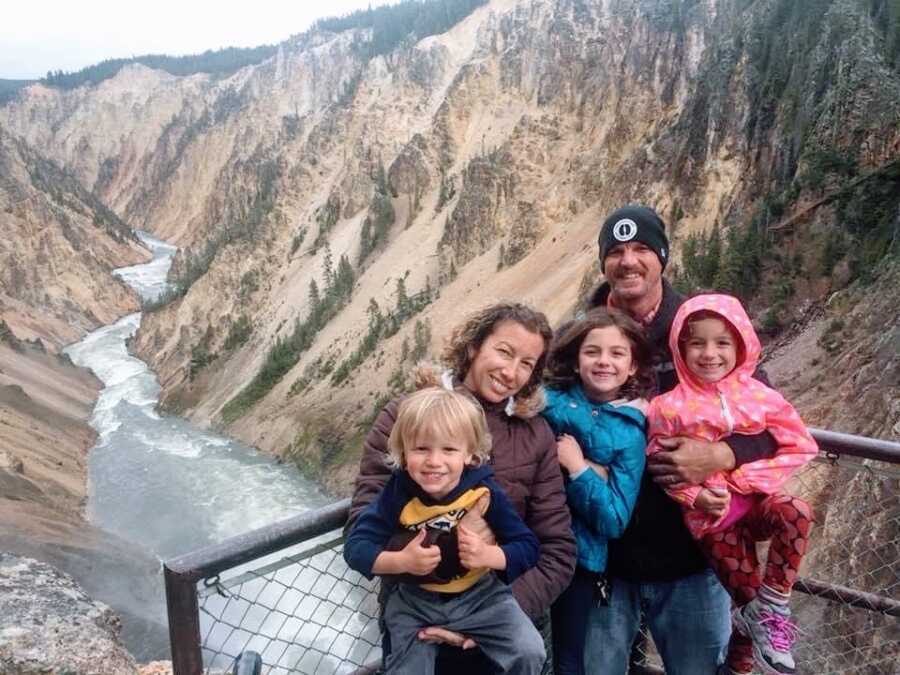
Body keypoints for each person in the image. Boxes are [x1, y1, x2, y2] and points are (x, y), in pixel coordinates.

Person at [585, 205, 780, 674]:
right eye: (616, 251)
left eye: (642, 250)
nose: (628, 261)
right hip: (606, 561)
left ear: (663, 257)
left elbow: (772, 423)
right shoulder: (585, 338)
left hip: (692, 559)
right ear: (603, 263)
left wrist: (720, 452)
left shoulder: (701, 329)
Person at [348, 302, 576, 673]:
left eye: (527, 363)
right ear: (474, 347)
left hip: (498, 620)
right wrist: (426, 556)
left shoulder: (535, 435)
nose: (511, 372)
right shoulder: (406, 414)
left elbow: (557, 549)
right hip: (415, 618)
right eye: (504, 352)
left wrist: (496, 615)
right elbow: (364, 524)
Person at [647, 294, 816, 675]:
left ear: (741, 345)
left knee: (798, 512)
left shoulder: (761, 397)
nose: (710, 354)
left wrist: (744, 479)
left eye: (722, 343)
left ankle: (774, 606)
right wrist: (697, 496)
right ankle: (741, 663)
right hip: (710, 518)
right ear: (680, 347)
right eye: (697, 343)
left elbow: (800, 443)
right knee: (746, 602)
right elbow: (659, 461)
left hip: (755, 501)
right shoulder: (668, 406)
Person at [344, 387, 546, 675]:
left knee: (529, 650)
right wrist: (401, 562)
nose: (434, 461)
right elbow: (357, 547)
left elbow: (527, 547)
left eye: (449, 449)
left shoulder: (483, 493)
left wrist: (490, 555)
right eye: (421, 448)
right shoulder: (399, 493)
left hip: (482, 598)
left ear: (469, 454)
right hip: (415, 602)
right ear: (403, 451)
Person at [540, 308, 652, 675]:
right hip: (527, 546)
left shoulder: (630, 432)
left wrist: (577, 468)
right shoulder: (545, 404)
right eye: (593, 352)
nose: (604, 361)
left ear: (632, 366)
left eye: (617, 353)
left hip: (581, 561)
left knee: (569, 658)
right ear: (575, 360)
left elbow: (615, 519)